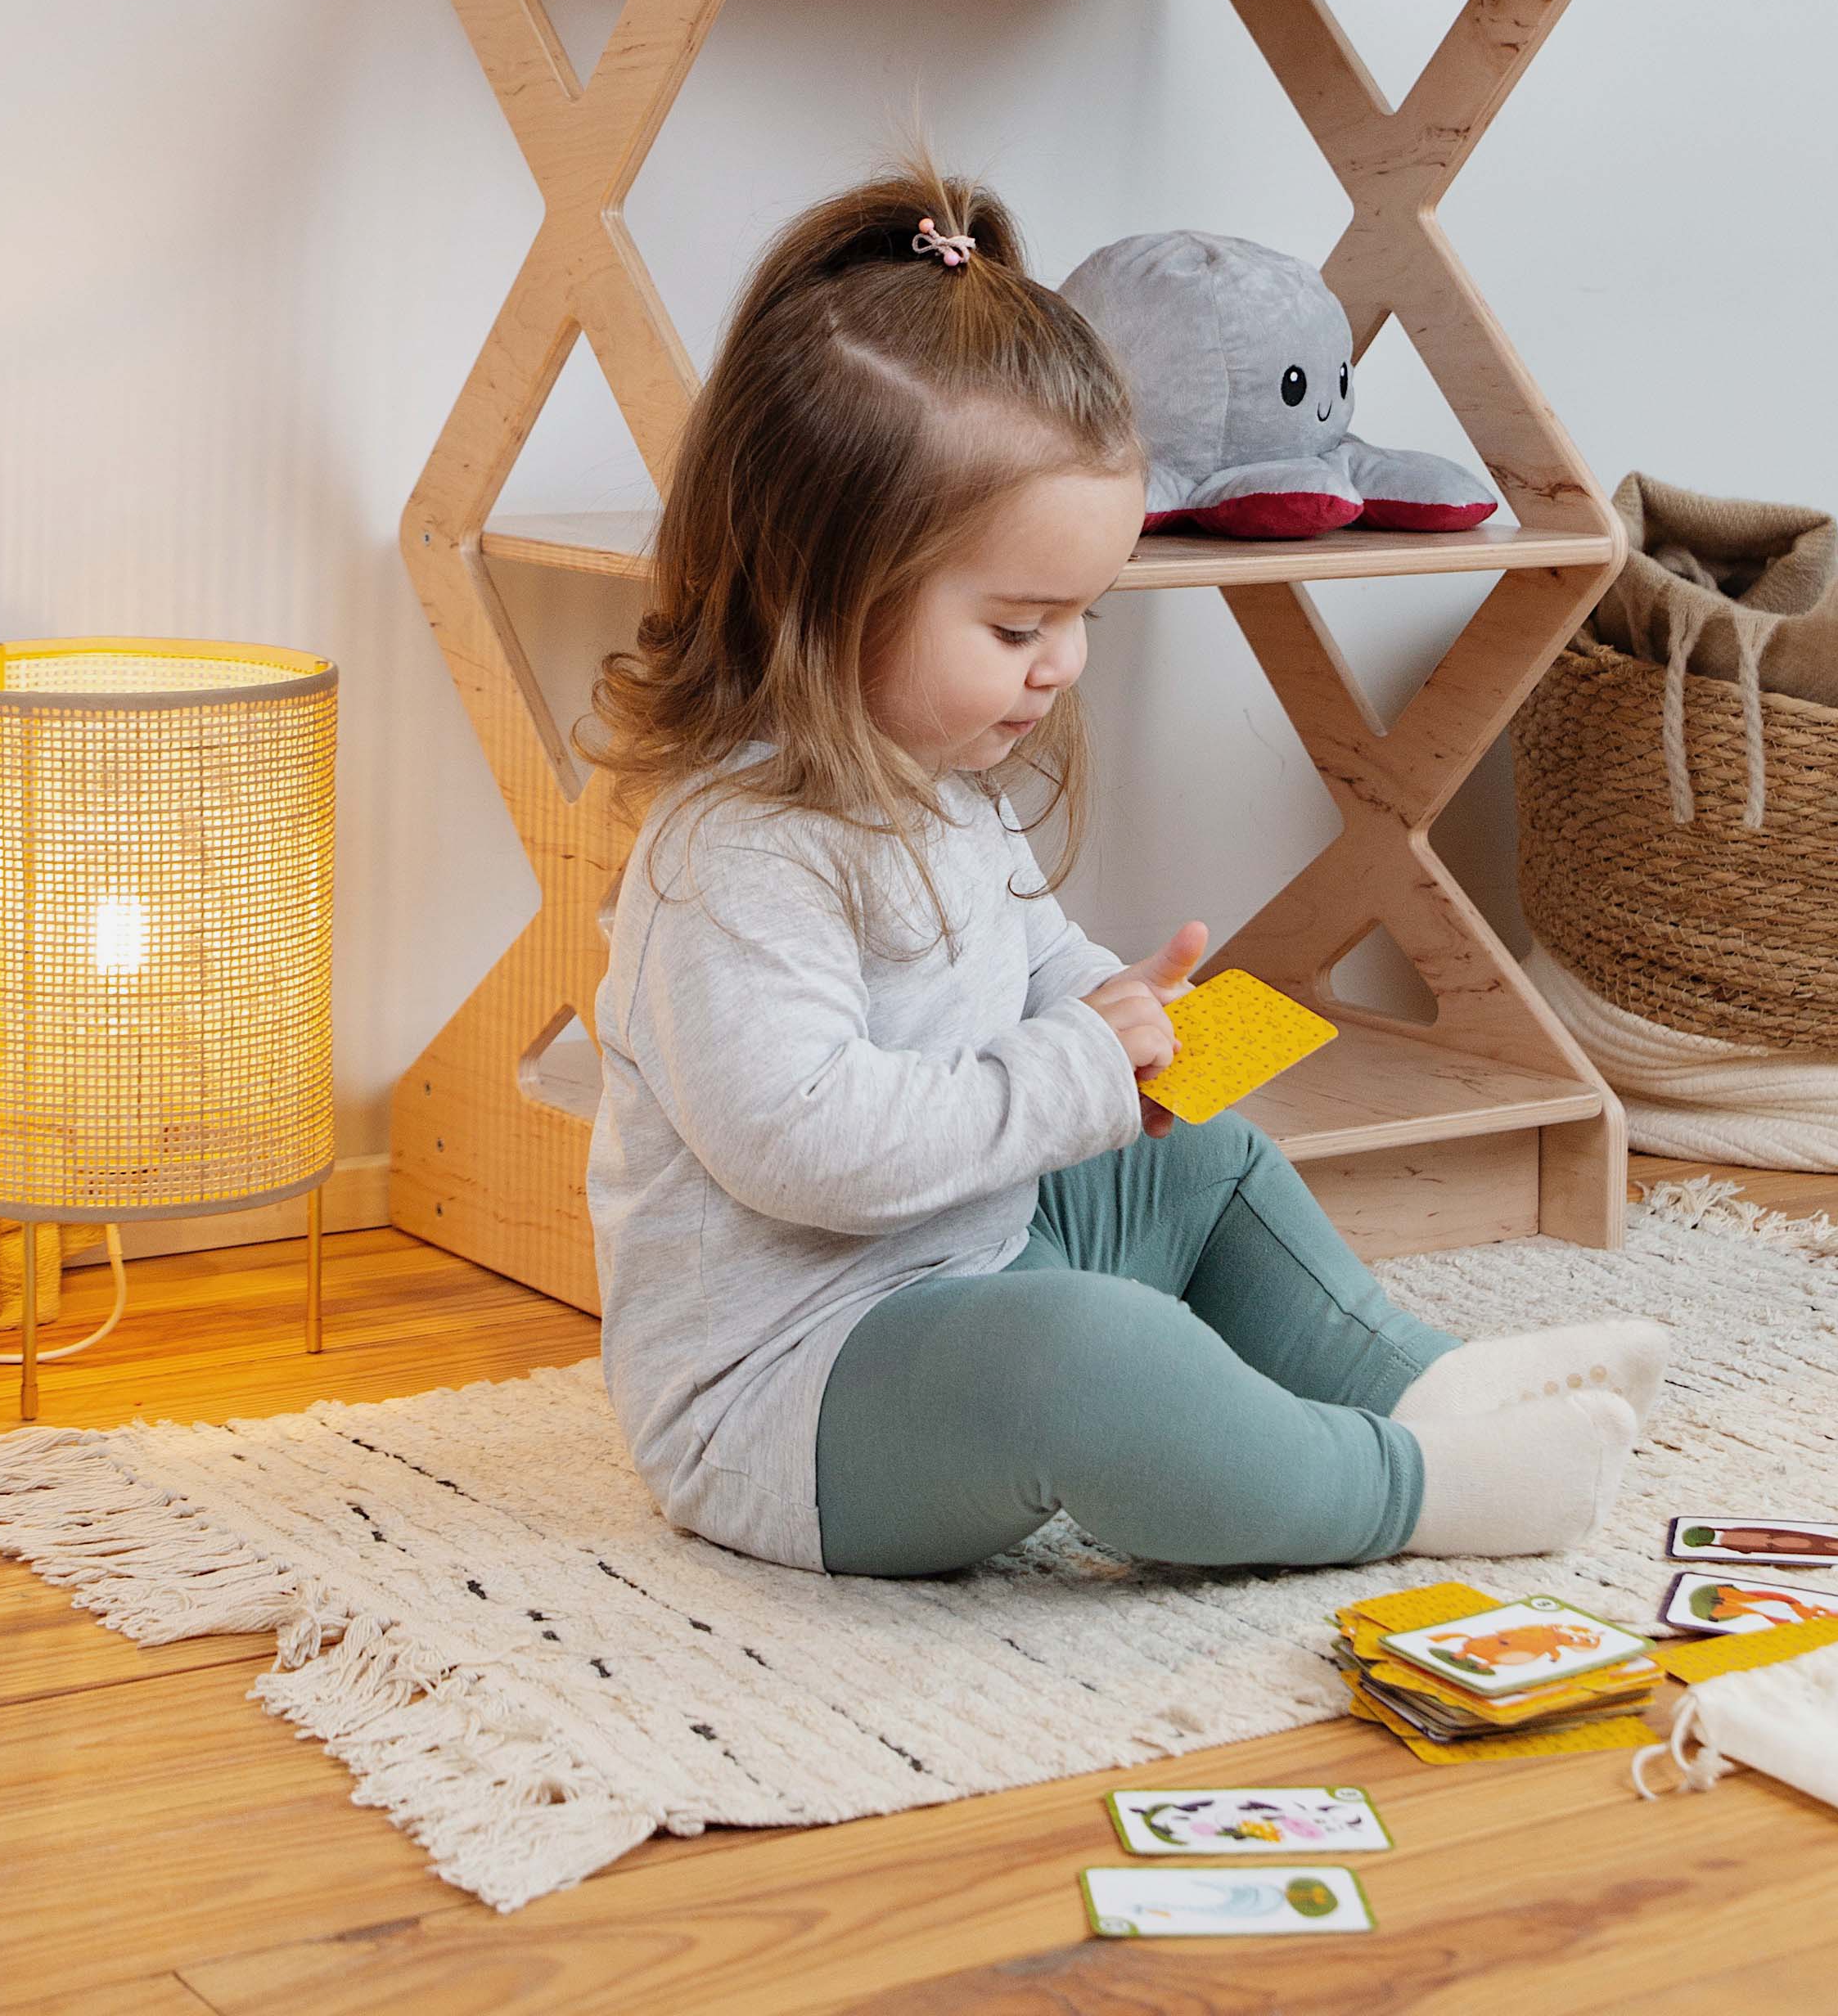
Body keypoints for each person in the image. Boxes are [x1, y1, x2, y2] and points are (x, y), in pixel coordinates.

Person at [580, 165, 1667, 1577]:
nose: (1064, 665)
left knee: (1206, 1162)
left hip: (964, 1269)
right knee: (1089, 1362)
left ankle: (1421, 1386)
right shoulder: (735, 856)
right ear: (817, 592)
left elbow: (1035, 966)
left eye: (1082, 614)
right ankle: (1406, 1490)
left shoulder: (942, 783)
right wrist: (1078, 1075)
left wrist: (1144, 1029)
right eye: (1022, 622)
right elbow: (802, 1144)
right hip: (792, 1397)